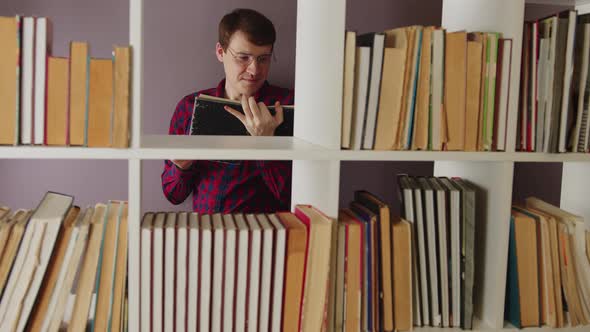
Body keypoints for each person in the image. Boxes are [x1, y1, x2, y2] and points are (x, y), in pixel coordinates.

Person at [161, 8, 294, 213]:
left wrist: (267, 146)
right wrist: (181, 166)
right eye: (243, 57)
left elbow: (296, 198)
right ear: (220, 52)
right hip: (206, 237)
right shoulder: (189, 107)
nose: (254, 70)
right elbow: (173, 195)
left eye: (263, 59)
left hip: (266, 237)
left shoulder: (287, 106)